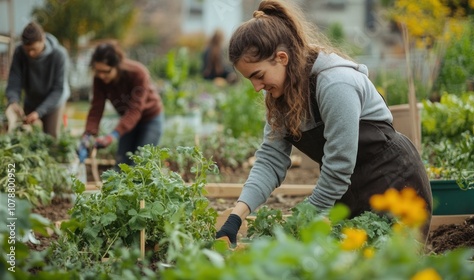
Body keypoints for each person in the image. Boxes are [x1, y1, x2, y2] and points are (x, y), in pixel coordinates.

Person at [216, 0, 433, 245]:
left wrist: (302, 220)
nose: (257, 88)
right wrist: (237, 216)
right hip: (347, 193)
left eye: (259, 76)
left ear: (282, 57)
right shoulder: (280, 96)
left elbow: (339, 164)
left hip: (395, 186)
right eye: (250, 80)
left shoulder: (334, 83)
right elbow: (270, 159)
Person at [82, 42, 163, 166]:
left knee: (141, 165)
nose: (101, 75)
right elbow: (96, 108)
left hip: (149, 119)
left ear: (117, 66)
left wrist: (113, 135)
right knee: (121, 165)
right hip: (127, 121)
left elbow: (135, 110)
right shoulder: (99, 79)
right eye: (98, 71)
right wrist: (88, 135)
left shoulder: (138, 73)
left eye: (106, 71)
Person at [4, 21, 70, 138]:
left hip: (54, 101)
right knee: (25, 136)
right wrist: (13, 100)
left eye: (34, 49)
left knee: (51, 136)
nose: (30, 53)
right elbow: (14, 81)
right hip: (32, 99)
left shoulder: (59, 55)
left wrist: (39, 112)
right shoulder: (20, 52)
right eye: (27, 49)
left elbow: (58, 89)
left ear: (43, 39)